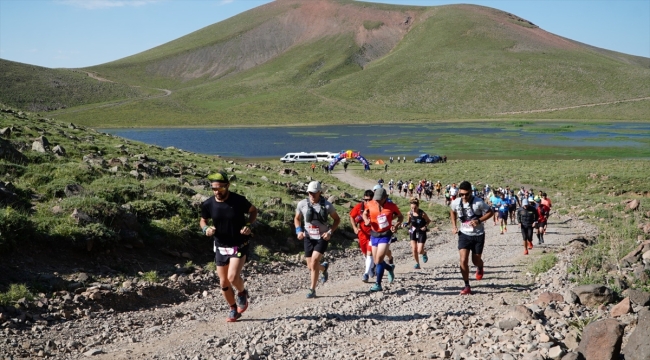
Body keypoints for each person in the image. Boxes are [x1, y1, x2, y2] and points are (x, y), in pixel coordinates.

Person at [200, 170, 258, 322]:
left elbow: (253, 211)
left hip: (239, 244)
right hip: (220, 246)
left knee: (232, 277)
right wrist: (206, 229)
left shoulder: (238, 201)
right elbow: (203, 220)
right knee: (223, 282)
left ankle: (242, 292)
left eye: (220, 188)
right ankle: (233, 308)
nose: (217, 191)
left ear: (228, 186)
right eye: (214, 188)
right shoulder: (208, 204)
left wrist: (248, 224)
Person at [294, 181, 341, 298]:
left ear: (320, 192)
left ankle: (312, 290)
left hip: (322, 237)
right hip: (308, 237)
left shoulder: (327, 205)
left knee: (314, 261)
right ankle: (324, 268)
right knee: (310, 266)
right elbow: (297, 218)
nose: (312, 195)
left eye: (314, 193)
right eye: (310, 192)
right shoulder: (302, 204)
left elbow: (337, 220)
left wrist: (329, 232)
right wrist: (298, 230)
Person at [450, 181, 493, 295]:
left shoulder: (478, 202)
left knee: (475, 260)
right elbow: (452, 211)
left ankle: (480, 266)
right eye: (461, 194)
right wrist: (454, 226)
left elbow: (490, 212)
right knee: (463, 260)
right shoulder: (456, 202)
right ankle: (467, 285)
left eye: (466, 194)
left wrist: (479, 221)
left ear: (471, 192)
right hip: (464, 234)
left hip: (478, 235)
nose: (464, 197)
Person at [362, 188, 403, 291]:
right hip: (374, 234)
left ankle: (378, 284)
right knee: (376, 261)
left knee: (379, 259)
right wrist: (366, 220)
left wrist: (396, 225)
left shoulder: (391, 206)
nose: (377, 201)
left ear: (385, 198)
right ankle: (389, 268)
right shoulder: (370, 203)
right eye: (376, 199)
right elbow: (364, 213)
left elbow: (400, 216)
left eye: (380, 199)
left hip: (386, 234)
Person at [350, 190, 375, 282]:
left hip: (373, 234)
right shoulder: (359, 207)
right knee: (365, 253)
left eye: (369, 200)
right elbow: (352, 216)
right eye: (365, 200)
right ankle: (372, 267)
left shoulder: (376, 207)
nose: (367, 202)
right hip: (362, 235)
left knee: (369, 253)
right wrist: (354, 227)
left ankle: (366, 274)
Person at [407, 197, 431, 269]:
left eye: (415, 208)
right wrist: (405, 224)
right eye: (412, 208)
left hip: (421, 231)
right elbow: (408, 222)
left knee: (419, 250)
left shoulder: (422, 214)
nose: (413, 210)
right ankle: (417, 263)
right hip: (413, 231)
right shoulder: (409, 213)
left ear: (418, 206)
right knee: (414, 249)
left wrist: (425, 226)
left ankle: (424, 253)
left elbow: (428, 221)